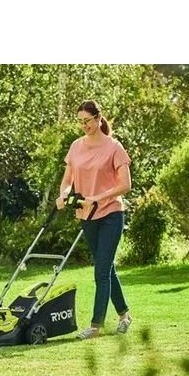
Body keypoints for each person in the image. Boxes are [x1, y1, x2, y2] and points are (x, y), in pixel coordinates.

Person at [55, 100, 133, 339]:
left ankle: (95, 326)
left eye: (87, 120)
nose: (84, 125)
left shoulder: (114, 147)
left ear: (98, 119)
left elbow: (125, 185)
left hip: (111, 213)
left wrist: (97, 197)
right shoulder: (76, 146)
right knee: (106, 268)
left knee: (101, 272)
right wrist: (64, 194)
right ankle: (124, 315)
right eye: (80, 122)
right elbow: (68, 179)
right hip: (86, 214)